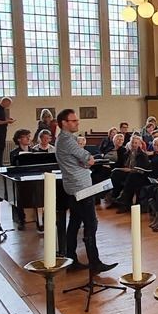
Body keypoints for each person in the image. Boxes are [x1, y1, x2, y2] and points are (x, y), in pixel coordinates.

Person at [55, 108, 116, 272]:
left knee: (74, 223)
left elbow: (84, 160)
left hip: (74, 186)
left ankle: (71, 260)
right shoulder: (67, 140)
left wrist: (84, 161)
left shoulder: (64, 139)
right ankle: (94, 263)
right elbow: (88, 160)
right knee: (91, 224)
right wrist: (85, 161)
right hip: (80, 188)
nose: (77, 123)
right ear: (64, 123)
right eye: (73, 120)